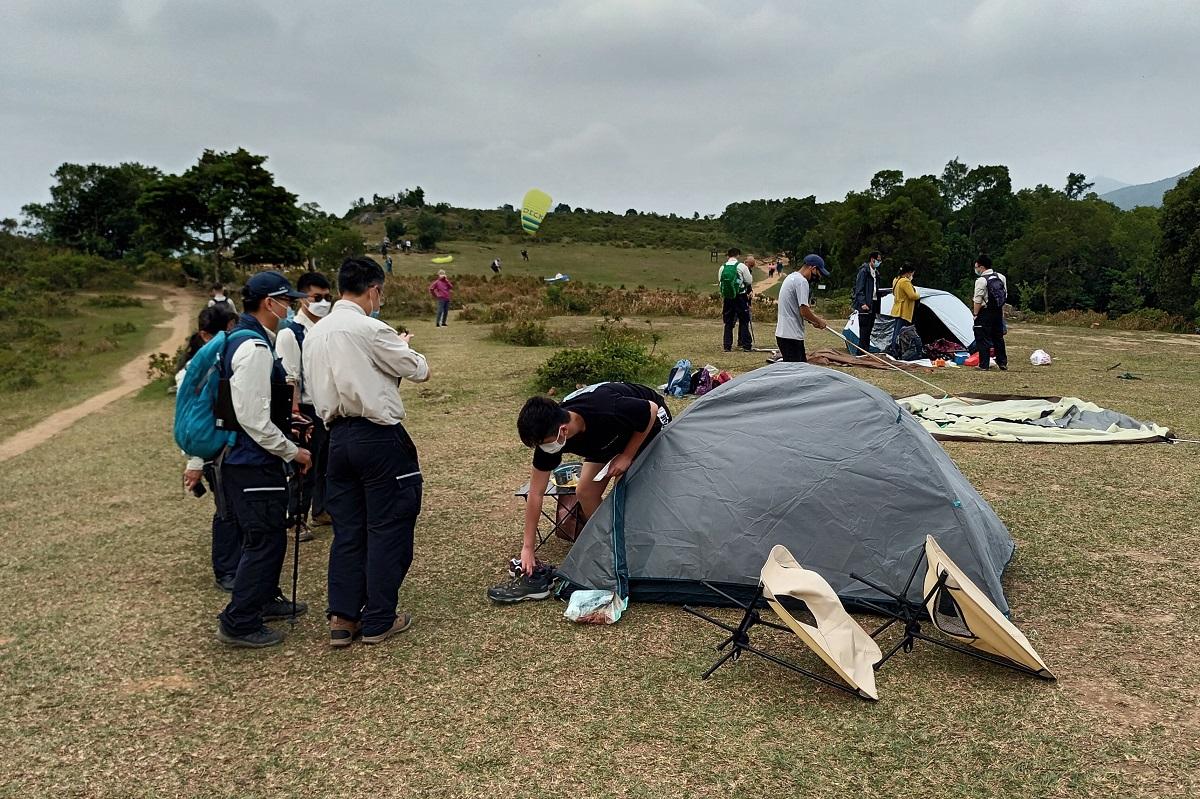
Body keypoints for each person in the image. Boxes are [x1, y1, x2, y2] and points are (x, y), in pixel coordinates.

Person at [303, 257, 431, 647]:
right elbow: (419, 369)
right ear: (374, 289)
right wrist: (402, 346)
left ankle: (342, 617)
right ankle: (379, 618)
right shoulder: (372, 328)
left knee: (348, 530)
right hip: (377, 438)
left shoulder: (314, 333)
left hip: (336, 440)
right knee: (388, 526)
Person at [203, 271, 313, 648]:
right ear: (270, 303)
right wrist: (291, 449)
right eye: (287, 300)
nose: (291, 307)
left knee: (268, 537)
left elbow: (249, 407)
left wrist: (288, 420)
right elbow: (252, 418)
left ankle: (264, 599)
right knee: (263, 540)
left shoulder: (241, 338)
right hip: (253, 461)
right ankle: (239, 620)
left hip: (247, 458)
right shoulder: (254, 348)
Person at [494, 382, 671, 602]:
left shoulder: (605, 407)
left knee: (625, 489)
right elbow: (536, 493)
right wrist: (527, 548)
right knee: (585, 490)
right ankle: (607, 545)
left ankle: (635, 548)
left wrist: (627, 456)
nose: (544, 448)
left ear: (563, 431)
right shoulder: (550, 438)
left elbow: (650, 409)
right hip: (607, 437)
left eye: (544, 443)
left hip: (648, 424)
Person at [180, 306, 240, 591]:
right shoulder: (208, 366)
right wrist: (195, 462)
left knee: (229, 507)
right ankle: (226, 570)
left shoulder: (200, 364)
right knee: (226, 510)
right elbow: (197, 417)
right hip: (215, 451)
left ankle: (234, 564)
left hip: (216, 447)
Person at [276, 272, 334, 542]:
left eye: (327, 297)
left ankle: (321, 509)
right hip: (305, 410)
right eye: (317, 297)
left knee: (326, 464)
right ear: (303, 300)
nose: (323, 302)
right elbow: (290, 379)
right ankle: (295, 518)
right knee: (304, 467)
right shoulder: (291, 333)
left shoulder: (327, 328)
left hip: (327, 408)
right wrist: (296, 416)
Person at [773, 254, 830, 363]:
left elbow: (795, 309)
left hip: (784, 334)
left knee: (799, 369)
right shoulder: (802, 282)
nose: (819, 277)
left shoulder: (791, 277)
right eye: (819, 273)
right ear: (812, 268)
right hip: (791, 336)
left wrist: (812, 320)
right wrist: (819, 321)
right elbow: (804, 310)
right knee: (795, 374)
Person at [971, 254, 1008, 371]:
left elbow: (977, 300)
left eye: (976, 267)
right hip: (997, 311)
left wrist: (975, 314)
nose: (976, 269)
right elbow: (1005, 294)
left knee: (983, 337)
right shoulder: (1001, 277)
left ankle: (984, 364)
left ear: (981, 267)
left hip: (985, 312)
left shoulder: (981, 280)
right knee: (998, 337)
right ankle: (1002, 362)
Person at [719, 247, 754, 352]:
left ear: (728, 255)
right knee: (744, 320)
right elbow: (749, 280)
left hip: (728, 298)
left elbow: (720, 282)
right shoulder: (741, 266)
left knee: (728, 322)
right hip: (740, 297)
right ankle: (746, 345)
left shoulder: (722, 267)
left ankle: (727, 346)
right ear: (737, 255)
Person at [852, 251, 883, 352]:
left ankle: (866, 351)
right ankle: (860, 352)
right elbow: (859, 289)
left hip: (873, 303)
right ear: (872, 259)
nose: (879, 262)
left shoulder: (876, 273)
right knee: (864, 331)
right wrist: (863, 303)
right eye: (878, 260)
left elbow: (875, 289)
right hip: (865, 305)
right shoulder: (864, 271)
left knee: (869, 330)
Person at [890, 265, 919, 349]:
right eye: (912, 273)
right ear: (908, 273)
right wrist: (918, 295)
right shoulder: (905, 282)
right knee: (901, 332)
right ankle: (897, 349)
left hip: (896, 308)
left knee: (896, 331)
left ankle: (893, 347)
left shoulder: (896, 279)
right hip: (903, 310)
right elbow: (912, 296)